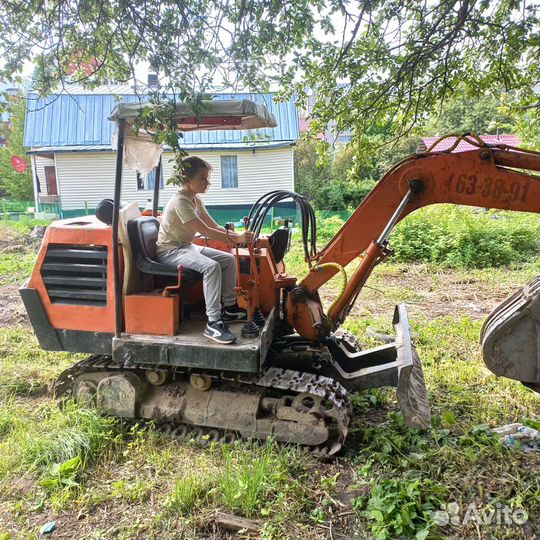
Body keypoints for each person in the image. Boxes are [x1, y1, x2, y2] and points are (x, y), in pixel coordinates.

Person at [156, 156, 254, 344]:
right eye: (202, 178)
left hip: (186, 247)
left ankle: (230, 308)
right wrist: (237, 239)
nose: (207, 182)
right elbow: (207, 232)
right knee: (211, 267)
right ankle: (213, 322)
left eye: (207, 178)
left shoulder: (195, 201)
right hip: (170, 251)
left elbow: (215, 227)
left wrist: (239, 235)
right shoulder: (181, 201)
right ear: (187, 179)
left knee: (227, 260)